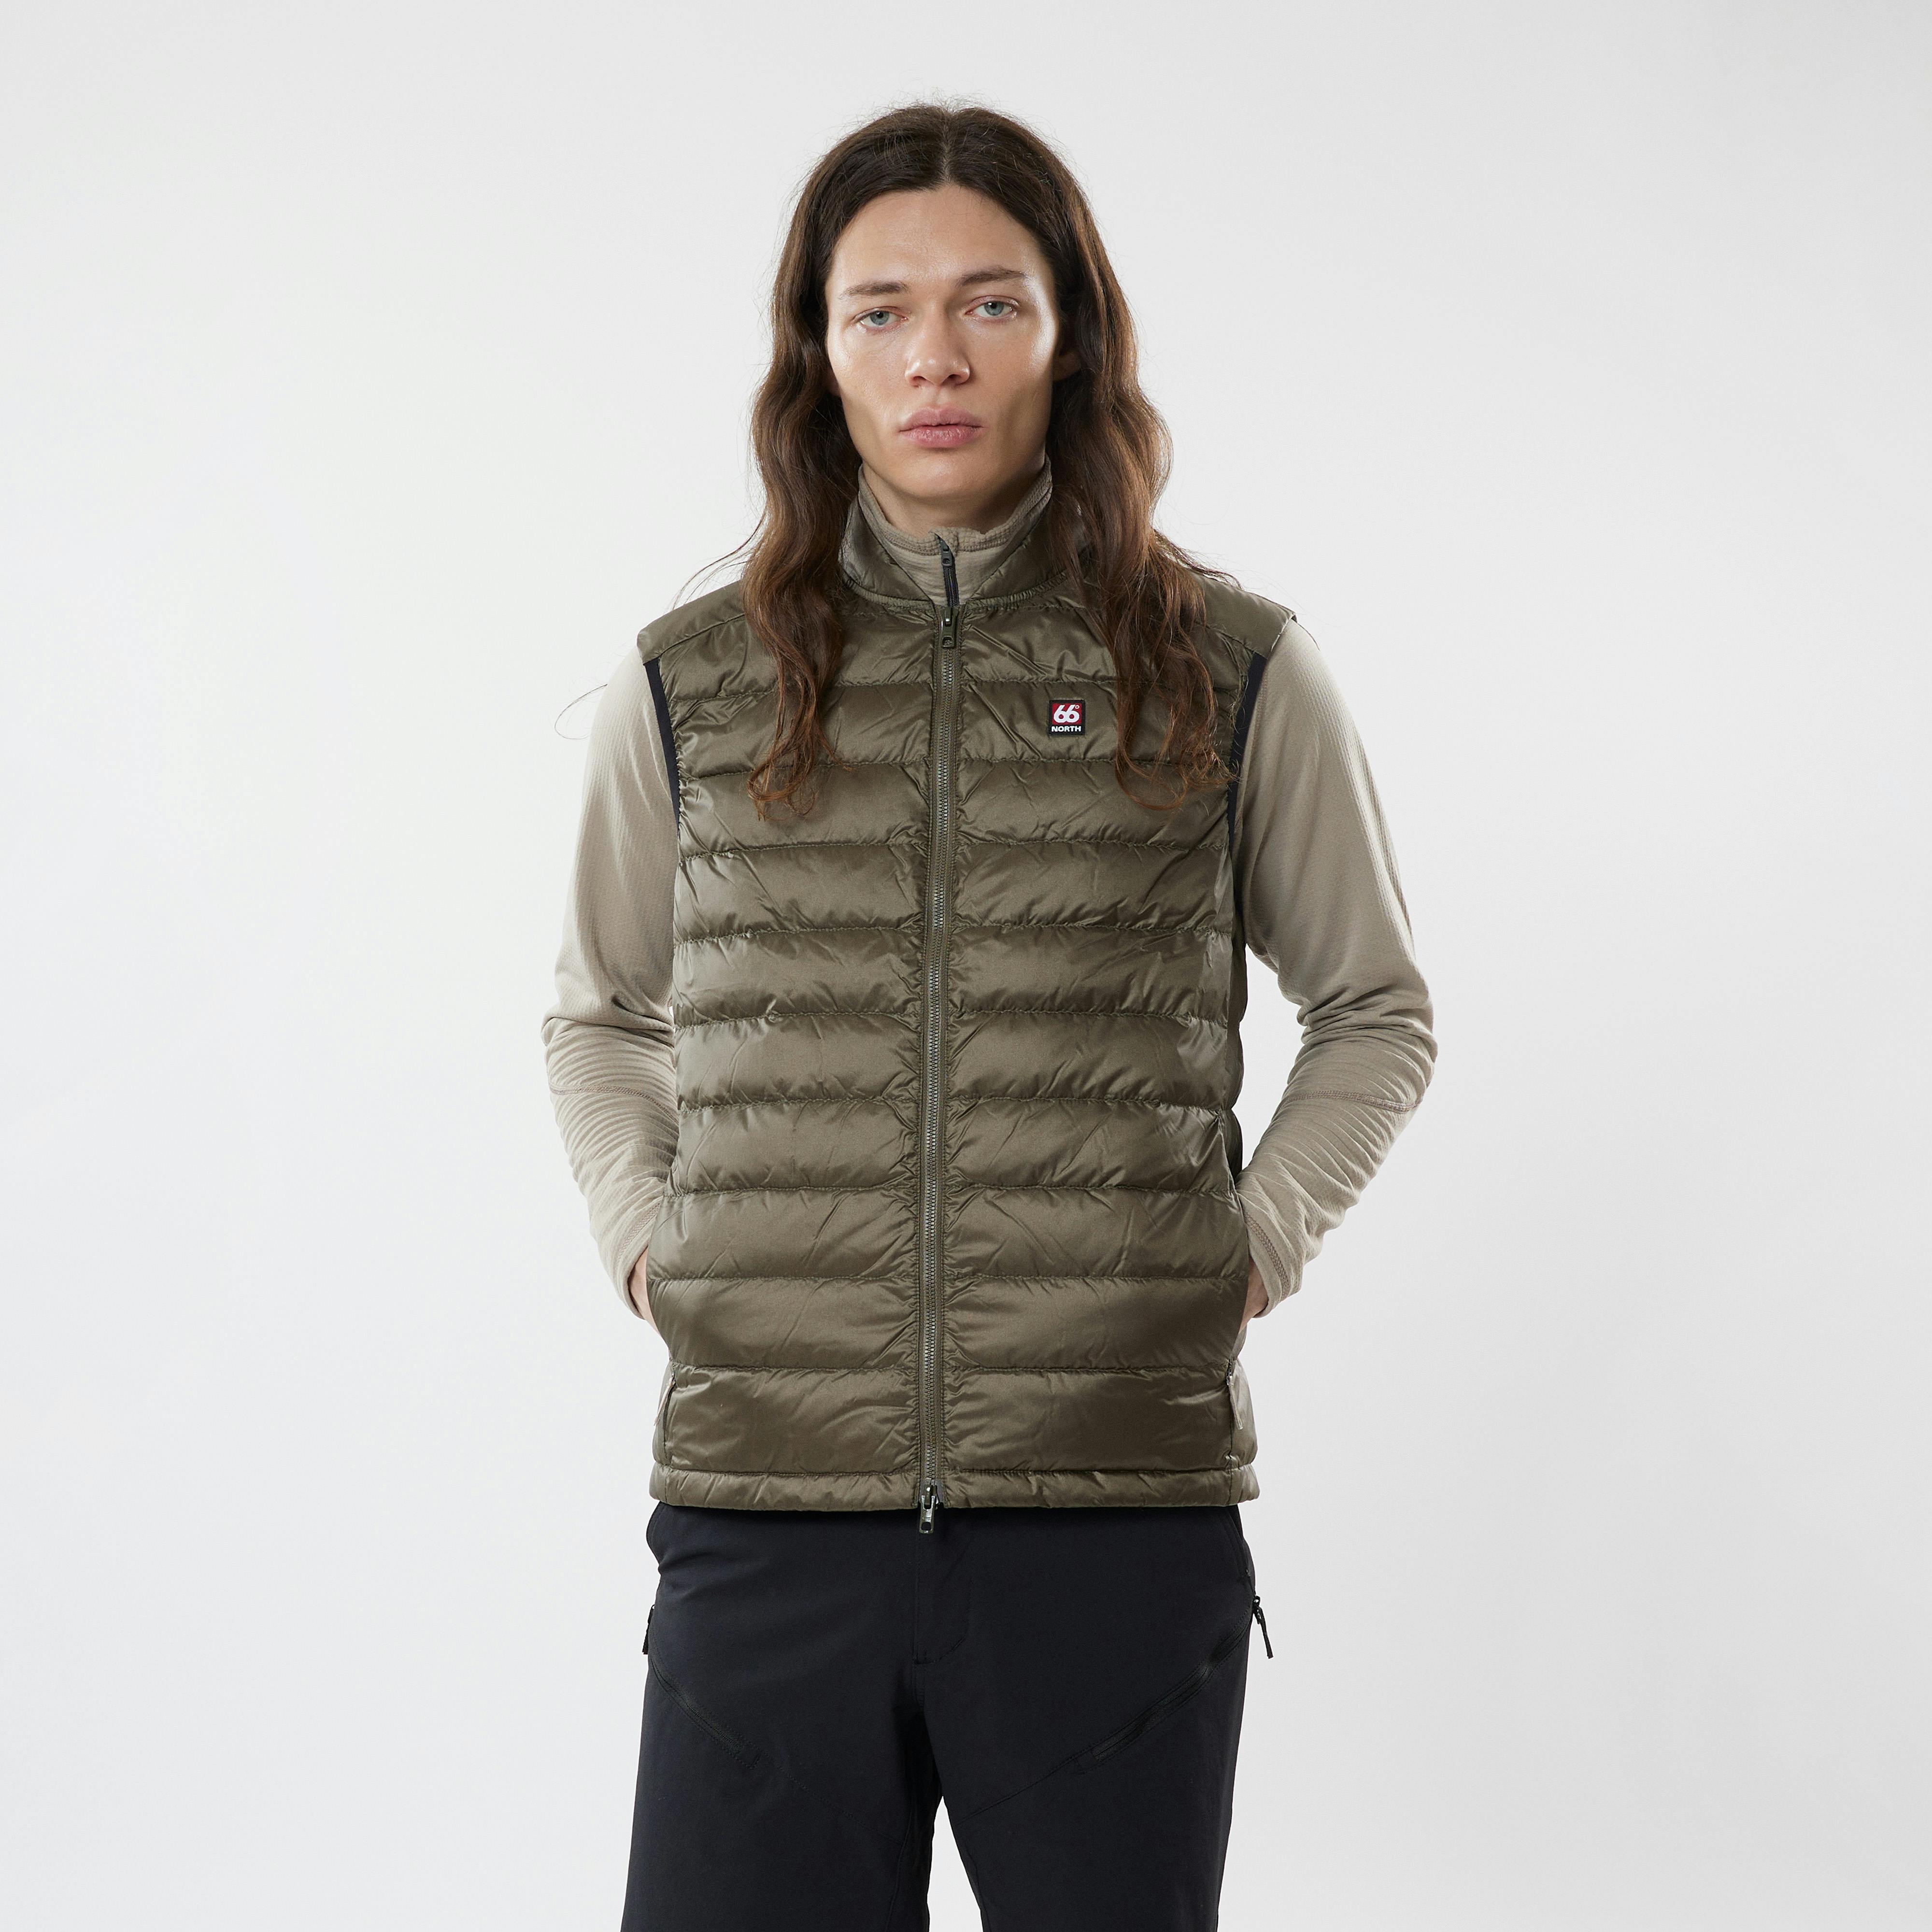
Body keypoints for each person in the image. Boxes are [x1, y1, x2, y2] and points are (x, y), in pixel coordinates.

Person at [542, 100, 1437, 1932]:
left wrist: (1245, 1246)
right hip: (770, 1508)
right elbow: (601, 1013)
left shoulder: (1231, 669)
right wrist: (654, 1243)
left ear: (1069, 334)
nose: (933, 357)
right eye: (879, 310)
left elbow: (1374, 1009)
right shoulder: (694, 681)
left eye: (989, 304)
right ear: (817, 352)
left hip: (1113, 1522)